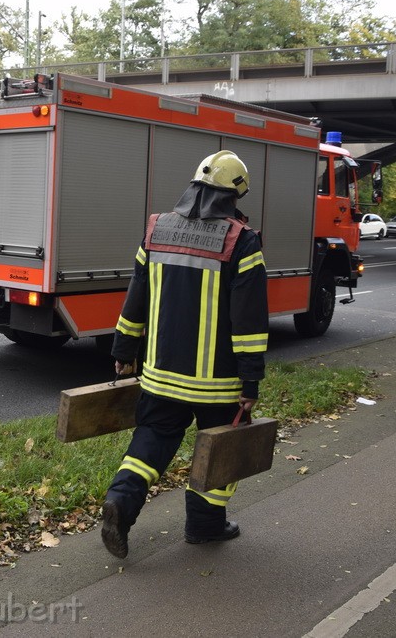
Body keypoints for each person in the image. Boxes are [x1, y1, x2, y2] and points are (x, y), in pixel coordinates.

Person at [100, 150, 269, 559]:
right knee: (220, 450)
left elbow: (135, 298)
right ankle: (205, 526)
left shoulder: (156, 230)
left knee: (152, 439)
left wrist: (124, 350)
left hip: (160, 376)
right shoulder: (241, 242)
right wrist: (250, 381)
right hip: (218, 383)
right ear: (235, 195)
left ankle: (121, 502)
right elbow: (248, 322)